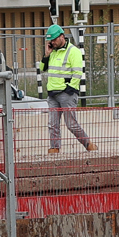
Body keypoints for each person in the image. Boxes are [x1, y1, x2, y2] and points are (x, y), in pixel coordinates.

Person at [38, 24, 94, 154]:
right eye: (50, 40)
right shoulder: (52, 51)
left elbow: (77, 73)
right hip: (52, 94)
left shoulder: (73, 51)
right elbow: (42, 68)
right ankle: (55, 148)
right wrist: (46, 55)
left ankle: (88, 144)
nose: (52, 42)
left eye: (54, 40)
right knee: (53, 124)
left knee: (71, 124)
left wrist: (70, 89)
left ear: (62, 37)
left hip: (66, 93)